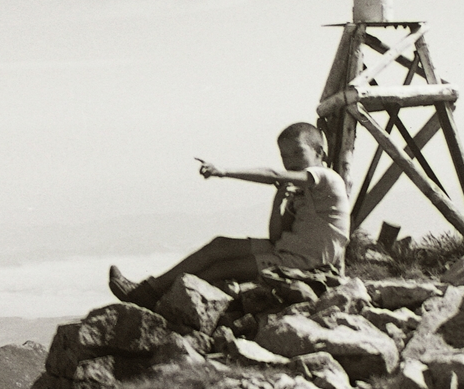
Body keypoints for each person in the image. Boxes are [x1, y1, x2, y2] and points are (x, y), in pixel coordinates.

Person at [109, 122, 350, 309]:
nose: (290, 162)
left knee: (222, 269)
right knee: (219, 245)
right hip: (286, 251)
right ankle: (148, 289)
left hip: (307, 263)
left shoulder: (326, 178)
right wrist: (279, 202)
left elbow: (272, 173)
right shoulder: (299, 192)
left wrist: (223, 171)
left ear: (319, 152)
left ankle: (162, 301)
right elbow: (276, 237)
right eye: (285, 156)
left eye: (298, 153)